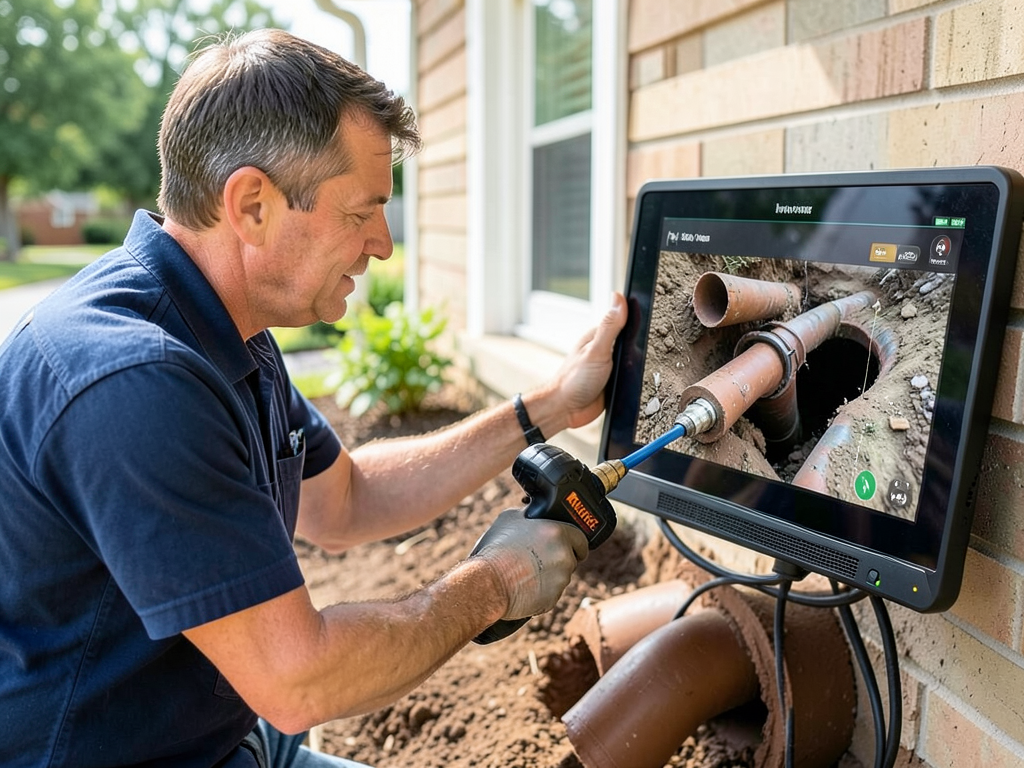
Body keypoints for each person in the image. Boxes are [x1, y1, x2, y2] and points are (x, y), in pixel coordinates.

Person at [0, 28, 627, 768]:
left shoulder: (229, 326)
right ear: (253, 205)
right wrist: (496, 583)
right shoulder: (132, 382)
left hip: (220, 736)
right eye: (361, 213)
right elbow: (299, 680)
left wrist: (548, 405)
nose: (384, 244)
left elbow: (347, 501)